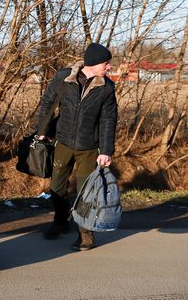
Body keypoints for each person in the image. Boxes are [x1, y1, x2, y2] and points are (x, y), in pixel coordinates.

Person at [37, 42, 118, 251]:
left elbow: (109, 120)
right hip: (62, 141)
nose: (108, 67)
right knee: (56, 187)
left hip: (89, 147)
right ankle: (61, 222)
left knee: (85, 192)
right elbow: (48, 102)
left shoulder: (107, 87)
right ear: (92, 63)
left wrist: (106, 150)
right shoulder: (64, 77)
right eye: (106, 63)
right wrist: (42, 131)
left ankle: (85, 234)